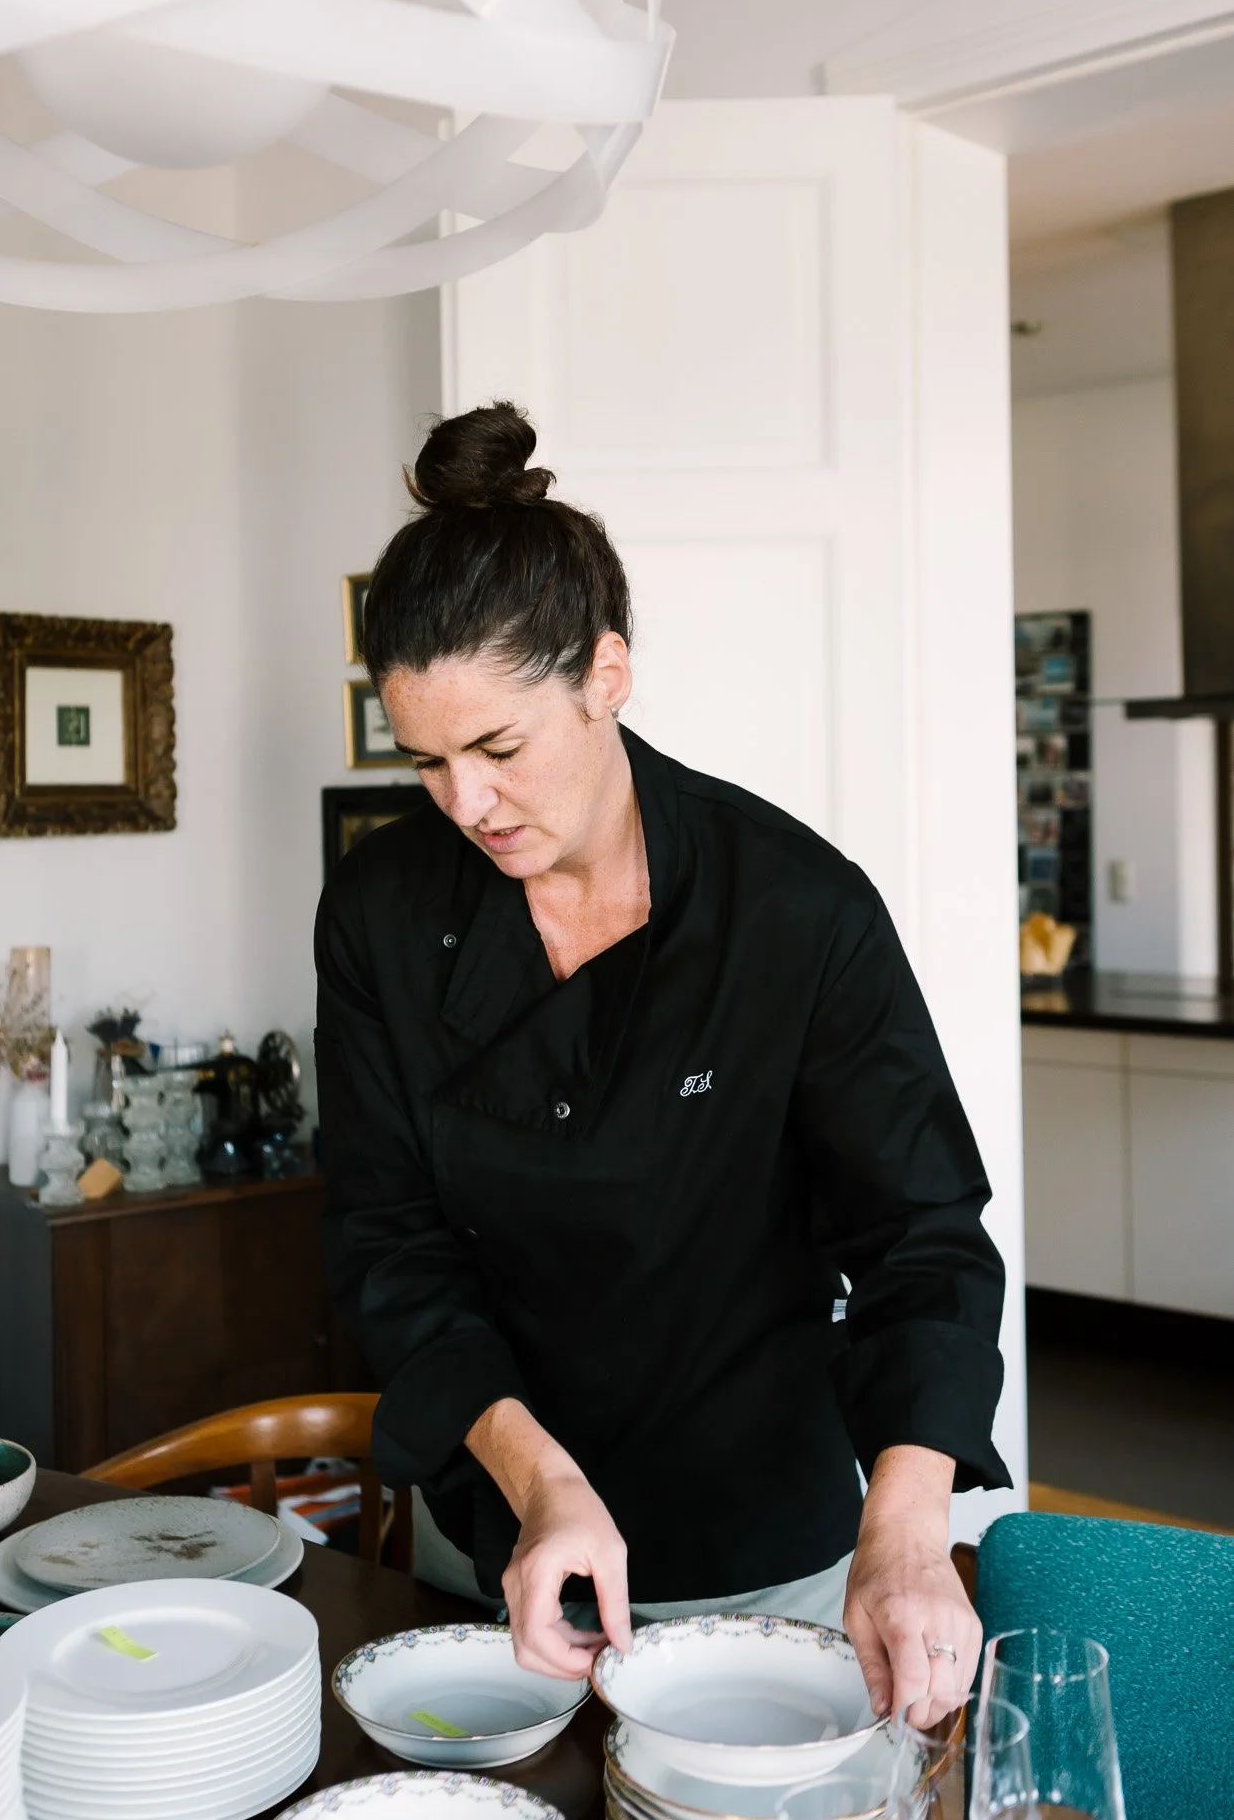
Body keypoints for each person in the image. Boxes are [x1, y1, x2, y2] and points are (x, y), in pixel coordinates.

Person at [315, 401, 1010, 1728]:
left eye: (499, 749)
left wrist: (910, 1525)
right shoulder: (381, 913)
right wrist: (542, 1487)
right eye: (427, 762)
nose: (466, 804)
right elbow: (388, 1241)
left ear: (607, 675)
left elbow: (924, 1237)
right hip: (507, 1536)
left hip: (768, 1545)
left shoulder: (798, 911)